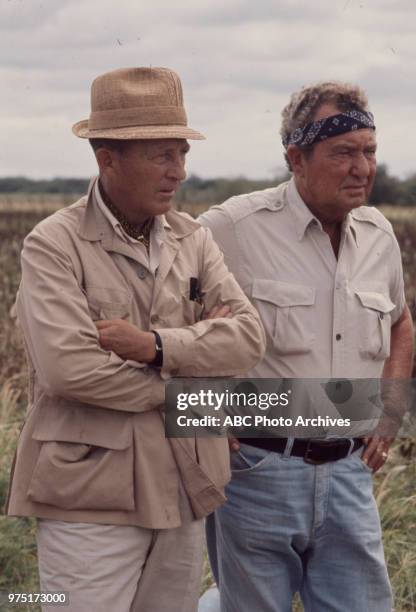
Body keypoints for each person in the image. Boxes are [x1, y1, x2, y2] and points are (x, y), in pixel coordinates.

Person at [5, 66, 266, 612]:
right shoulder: (53, 245)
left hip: (183, 482)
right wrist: (197, 384)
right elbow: (68, 371)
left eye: (183, 154)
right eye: (162, 155)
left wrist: (155, 347)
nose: (180, 172)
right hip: (90, 497)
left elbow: (248, 339)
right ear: (107, 159)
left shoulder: (193, 238)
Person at [198, 81, 414, 612]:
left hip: (349, 474)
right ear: (295, 157)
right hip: (256, 469)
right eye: (343, 152)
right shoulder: (232, 227)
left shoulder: (378, 233)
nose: (361, 168)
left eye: (369, 151)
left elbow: (402, 326)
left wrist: (388, 415)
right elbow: (169, 321)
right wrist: (205, 414)